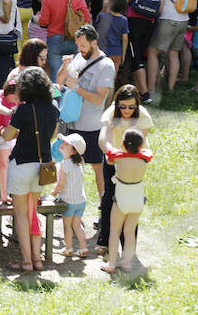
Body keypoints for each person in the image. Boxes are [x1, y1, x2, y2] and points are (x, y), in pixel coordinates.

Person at [2, 66, 58, 272]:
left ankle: (26, 261)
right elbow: (52, 135)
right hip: (43, 166)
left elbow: (8, 136)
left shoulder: (23, 110)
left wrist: (2, 130)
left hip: (21, 164)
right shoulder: (53, 109)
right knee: (32, 212)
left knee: (21, 214)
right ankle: (36, 258)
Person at [56, 25, 115, 198]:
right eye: (77, 45)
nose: (79, 49)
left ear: (94, 43)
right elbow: (60, 82)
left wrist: (77, 88)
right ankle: (67, 201)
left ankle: (103, 207)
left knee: (98, 167)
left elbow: (99, 98)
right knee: (69, 164)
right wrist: (64, 66)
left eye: (82, 45)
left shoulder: (106, 65)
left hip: (91, 126)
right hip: (71, 122)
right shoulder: (78, 58)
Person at [95, 84, 153, 254]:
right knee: (109, 198)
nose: (126, 110)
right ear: (117, 104)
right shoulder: (111, 112)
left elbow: (139, 140)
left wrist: (125, 158)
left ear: (137, 105)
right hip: (113, 159)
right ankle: (104, 240)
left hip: (134, 160)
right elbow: (103, 138)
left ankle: (128, 244)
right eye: (122, 106)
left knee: (130, 200)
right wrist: (110, 152)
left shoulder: (142, 114)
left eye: (131, 106)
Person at [101, 129, 153, 274]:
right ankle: (127, 264)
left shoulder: (119, 158)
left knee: (114, 232)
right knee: (130, 233)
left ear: (123, 144)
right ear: (141, 145)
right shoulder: (144, 159)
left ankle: (111, 264)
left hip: (121, 198)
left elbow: (108, 158)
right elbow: (146, 153)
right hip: (137, 199)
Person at [147, 0, 192, 94]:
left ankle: (151, 88)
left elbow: (160, 5)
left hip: (167, 19)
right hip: (183, 20)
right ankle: (171, 88)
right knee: (173, 54)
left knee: (153, 52)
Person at [37, 0, 91, 81]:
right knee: (76, 77)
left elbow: (43, 22)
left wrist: (36, 19)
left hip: (55, 41)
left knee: (57, 79)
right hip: (75, 39)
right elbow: (87, 17)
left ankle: (58, 99)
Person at [50, 133, 89, 258]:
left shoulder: (64, 164)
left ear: (72, 151)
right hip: (80, 201)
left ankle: (68, 248)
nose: (62, 144)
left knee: (67, 225)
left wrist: (54, 192)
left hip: (69, 202)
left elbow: (61, 184)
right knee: (77, 225)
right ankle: (83, 248)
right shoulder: (78, 165)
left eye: (66, 143)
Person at [122, 0, 155, 101]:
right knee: (137, 55)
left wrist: (122, 5)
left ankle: (145, 94)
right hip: (149, 20)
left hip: (134, 19)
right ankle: (134, 90)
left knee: (136, 58)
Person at [96, 0, 130, 74]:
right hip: (116, 53)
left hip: (102, 51)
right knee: (111, 77)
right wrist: (123, 54)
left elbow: (96, 32)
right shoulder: (124, 20)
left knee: (99, 75)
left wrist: (104, 8)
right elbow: (125, 39)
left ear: (110, 3)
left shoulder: (102, 16)